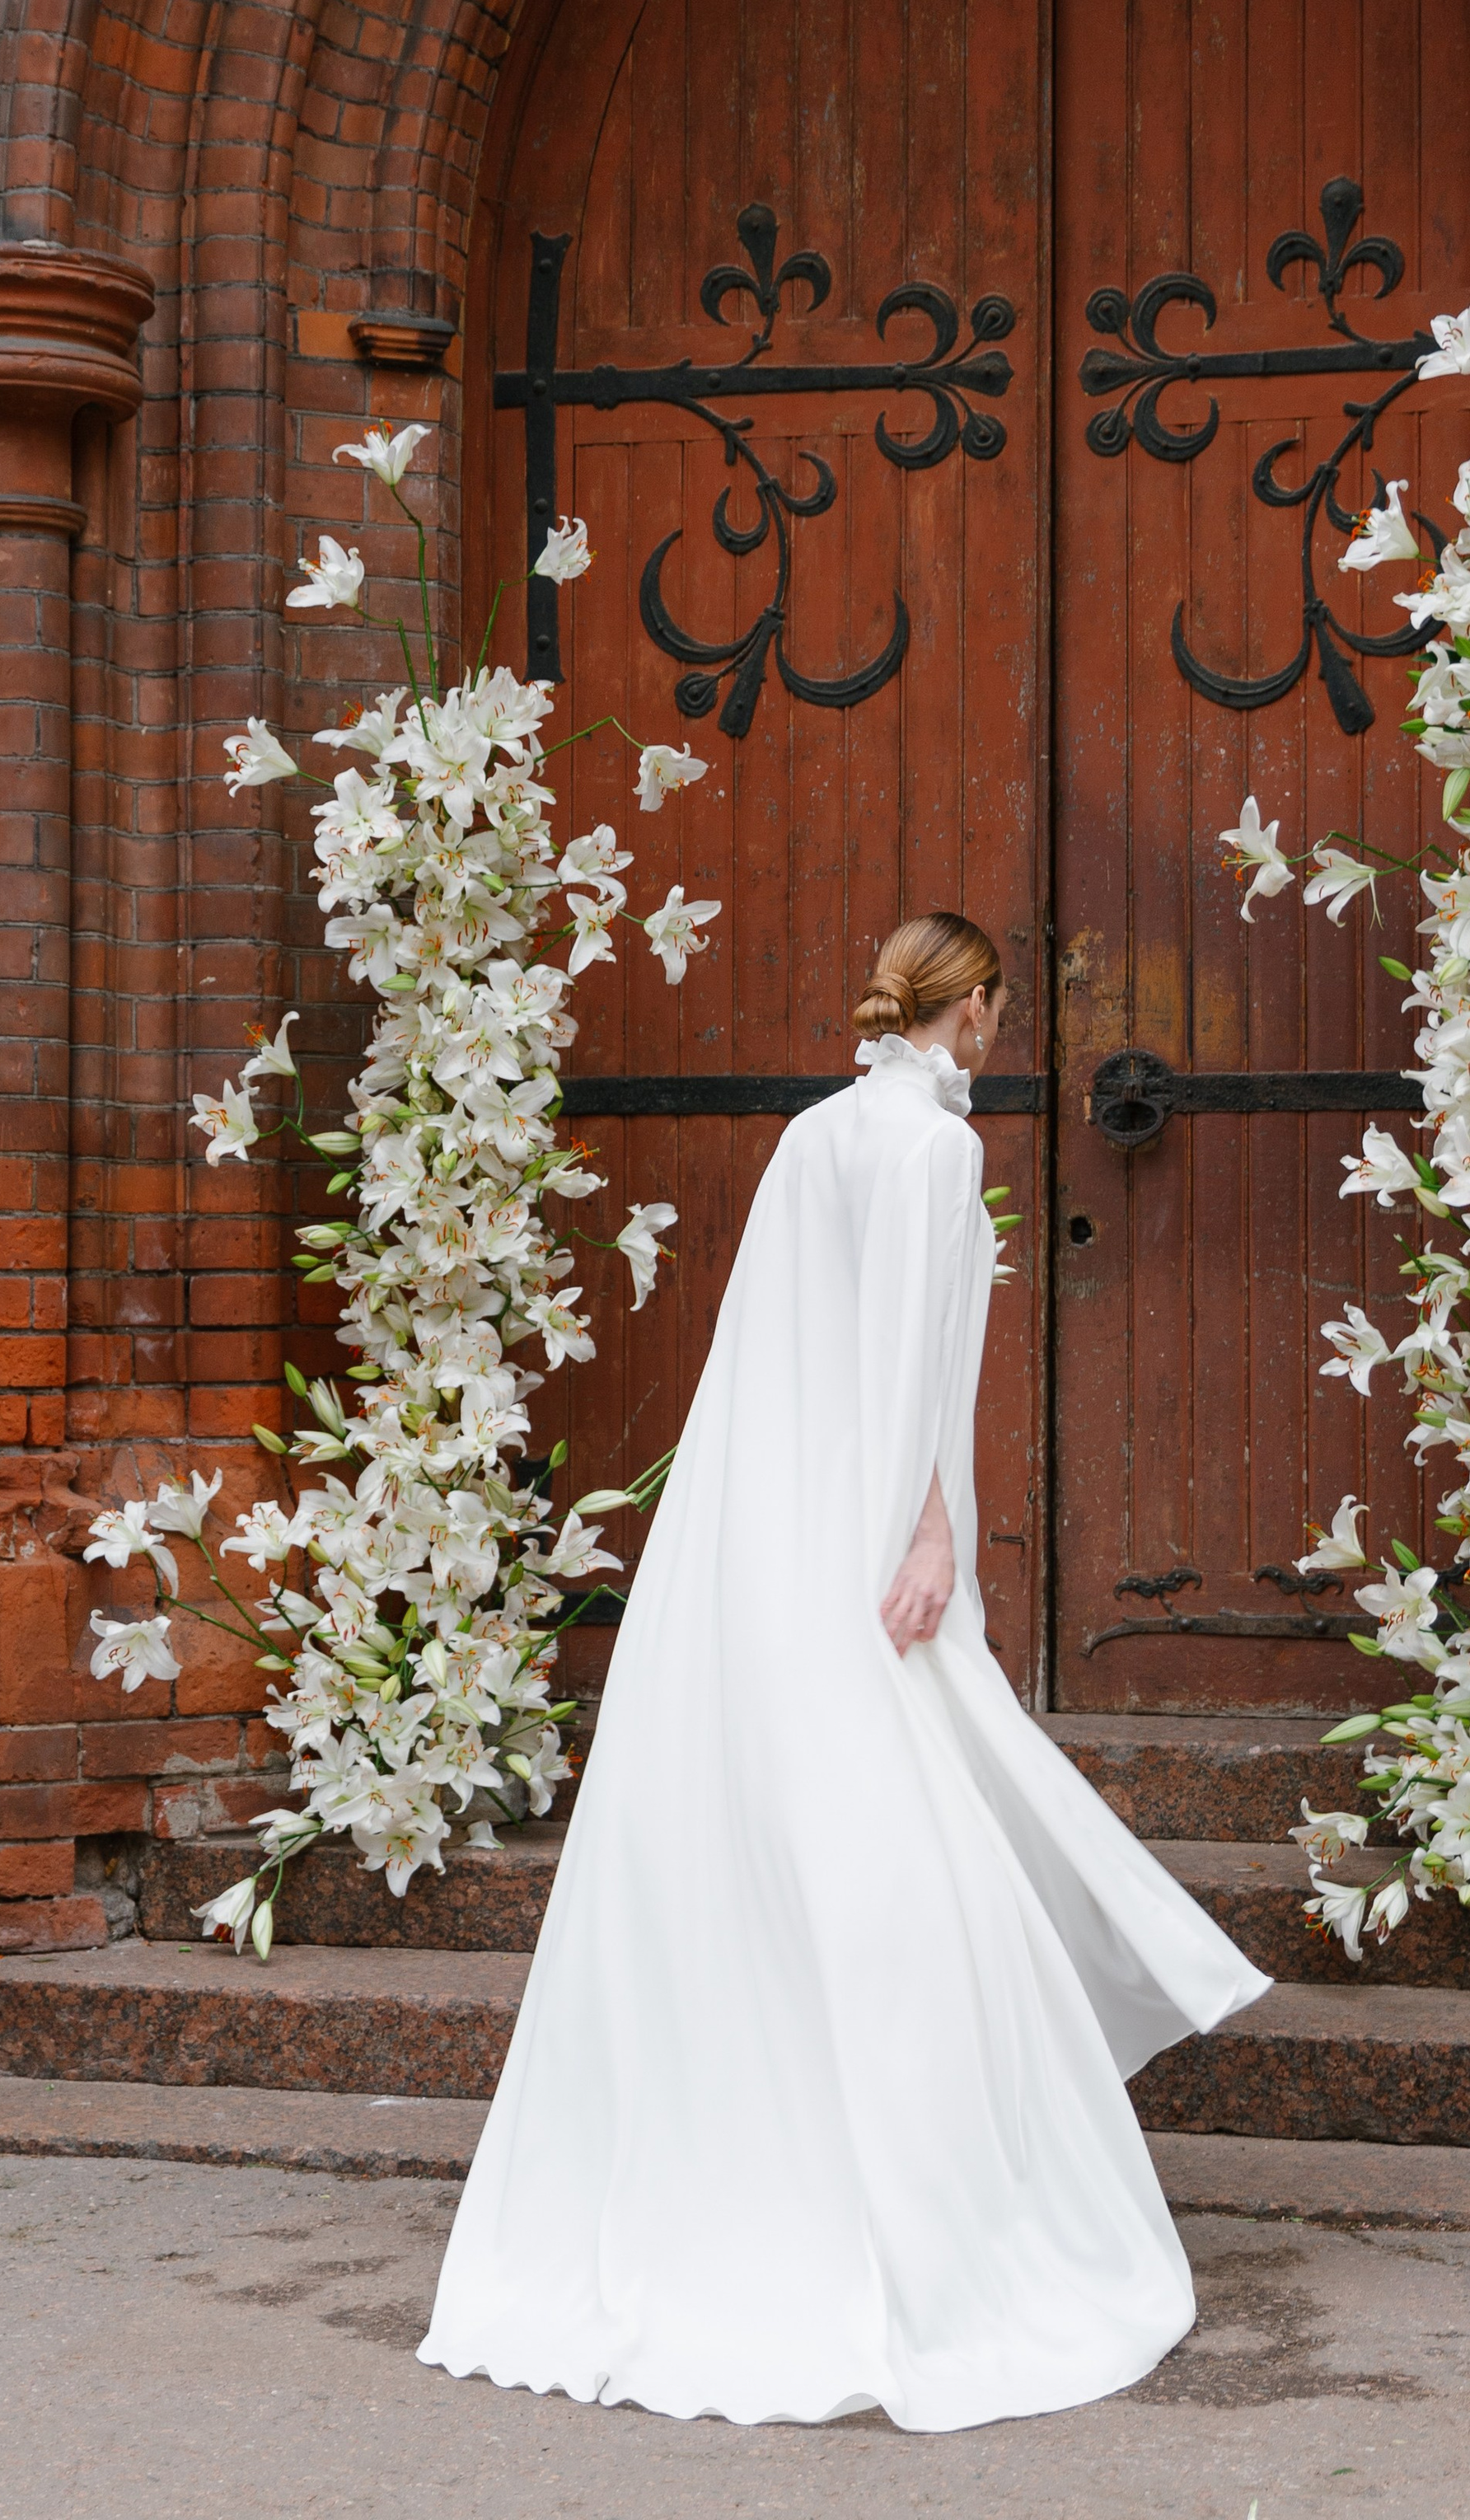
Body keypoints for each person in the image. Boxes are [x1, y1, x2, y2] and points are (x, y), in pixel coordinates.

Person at [418, 910, 1270, 2429]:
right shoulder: (940, 1155)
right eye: (999, 1011)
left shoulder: (814, 1135)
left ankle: (756, 2176)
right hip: (869, 1529)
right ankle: (917, 2209)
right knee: (907, 1841)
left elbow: (767, 1351)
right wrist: (934, 1531)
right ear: (985, 1011)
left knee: (802, 1838)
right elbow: (916, 1361)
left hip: (766, 1532)